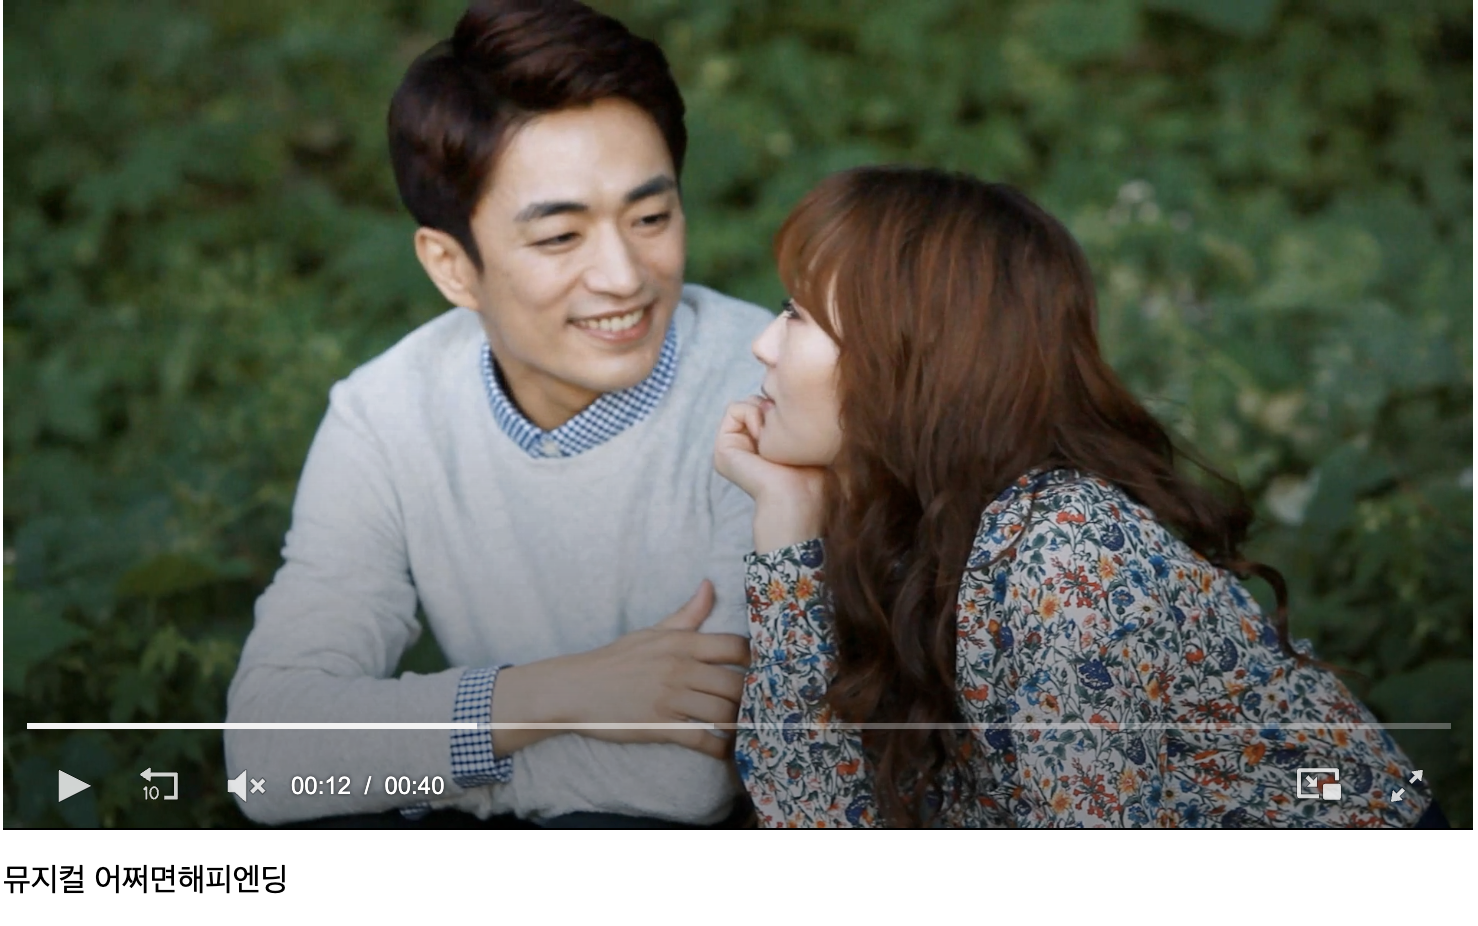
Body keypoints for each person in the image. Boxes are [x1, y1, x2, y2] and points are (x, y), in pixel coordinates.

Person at [713, 165, 1441, 828]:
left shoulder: (1066, 552)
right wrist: (788, 541)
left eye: (798, 315)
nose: (762, 345)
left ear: (909, 358)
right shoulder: (903, 525)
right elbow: (818, 825)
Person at [225, 0, 772, 827]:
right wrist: (558, 693)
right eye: (560, 237)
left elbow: (682, 781)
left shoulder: (764, 395)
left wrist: (410, 775)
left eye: (651, 218)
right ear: (452, 266)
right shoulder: (385, 417)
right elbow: (269, 758)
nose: (625, 276)